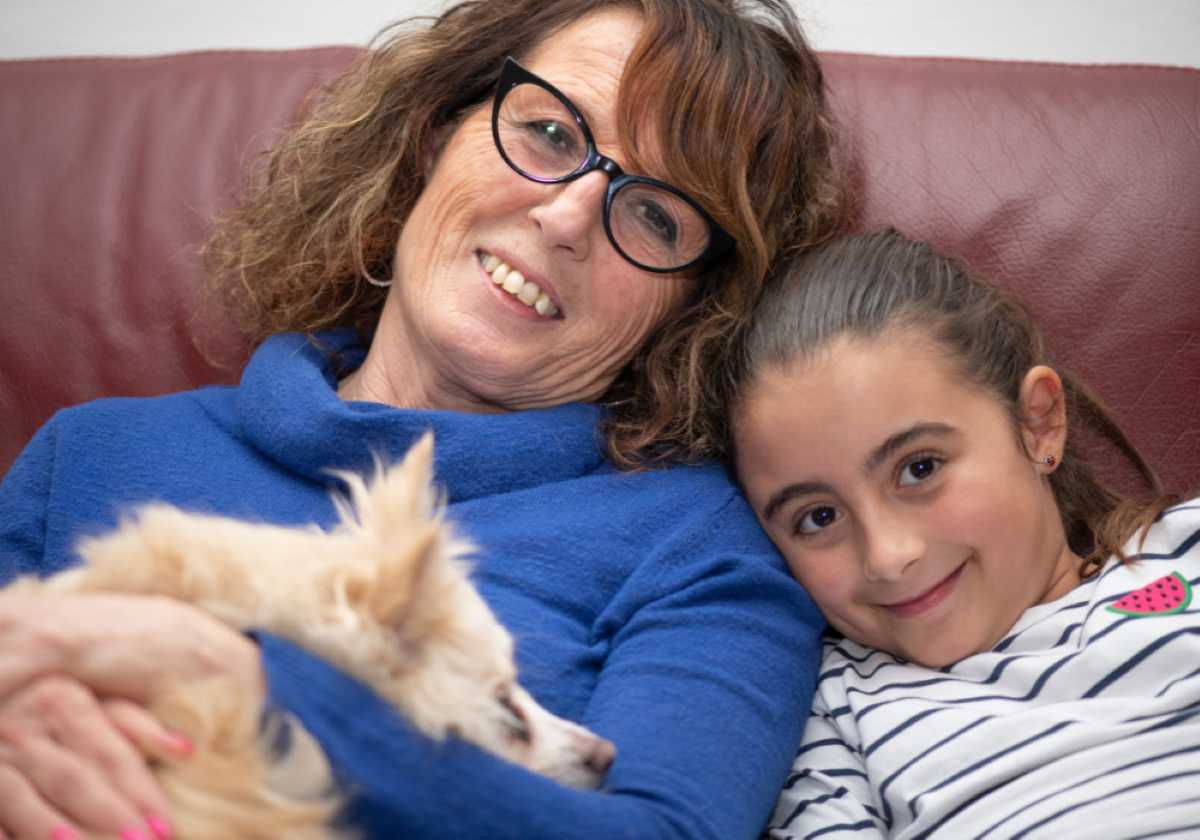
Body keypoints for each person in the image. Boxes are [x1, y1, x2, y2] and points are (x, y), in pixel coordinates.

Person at [0, 1, 847, 839]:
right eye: (551, 133)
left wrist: (249, 681)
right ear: (435, 131)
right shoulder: (91, 453)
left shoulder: (701, 551)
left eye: (658, 216)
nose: (565, 217)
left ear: (697, 308)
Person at [729, 228, 1199, 838]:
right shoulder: (833, 710)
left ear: (1038, 424)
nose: (889, 557)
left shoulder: (1186, 552)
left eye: (919, 469)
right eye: (819, 518)